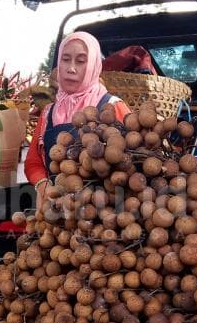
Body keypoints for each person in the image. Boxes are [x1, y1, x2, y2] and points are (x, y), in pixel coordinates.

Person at [24, 32, 131, 209]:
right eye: (65, 59)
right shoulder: (49, 112)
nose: (71, 68)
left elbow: (130, 163)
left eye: (81, 61)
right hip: (57, 213)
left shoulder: (112, 107)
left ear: (94, 66)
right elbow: (33, 162)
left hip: (103, 216)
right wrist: (43, 186)